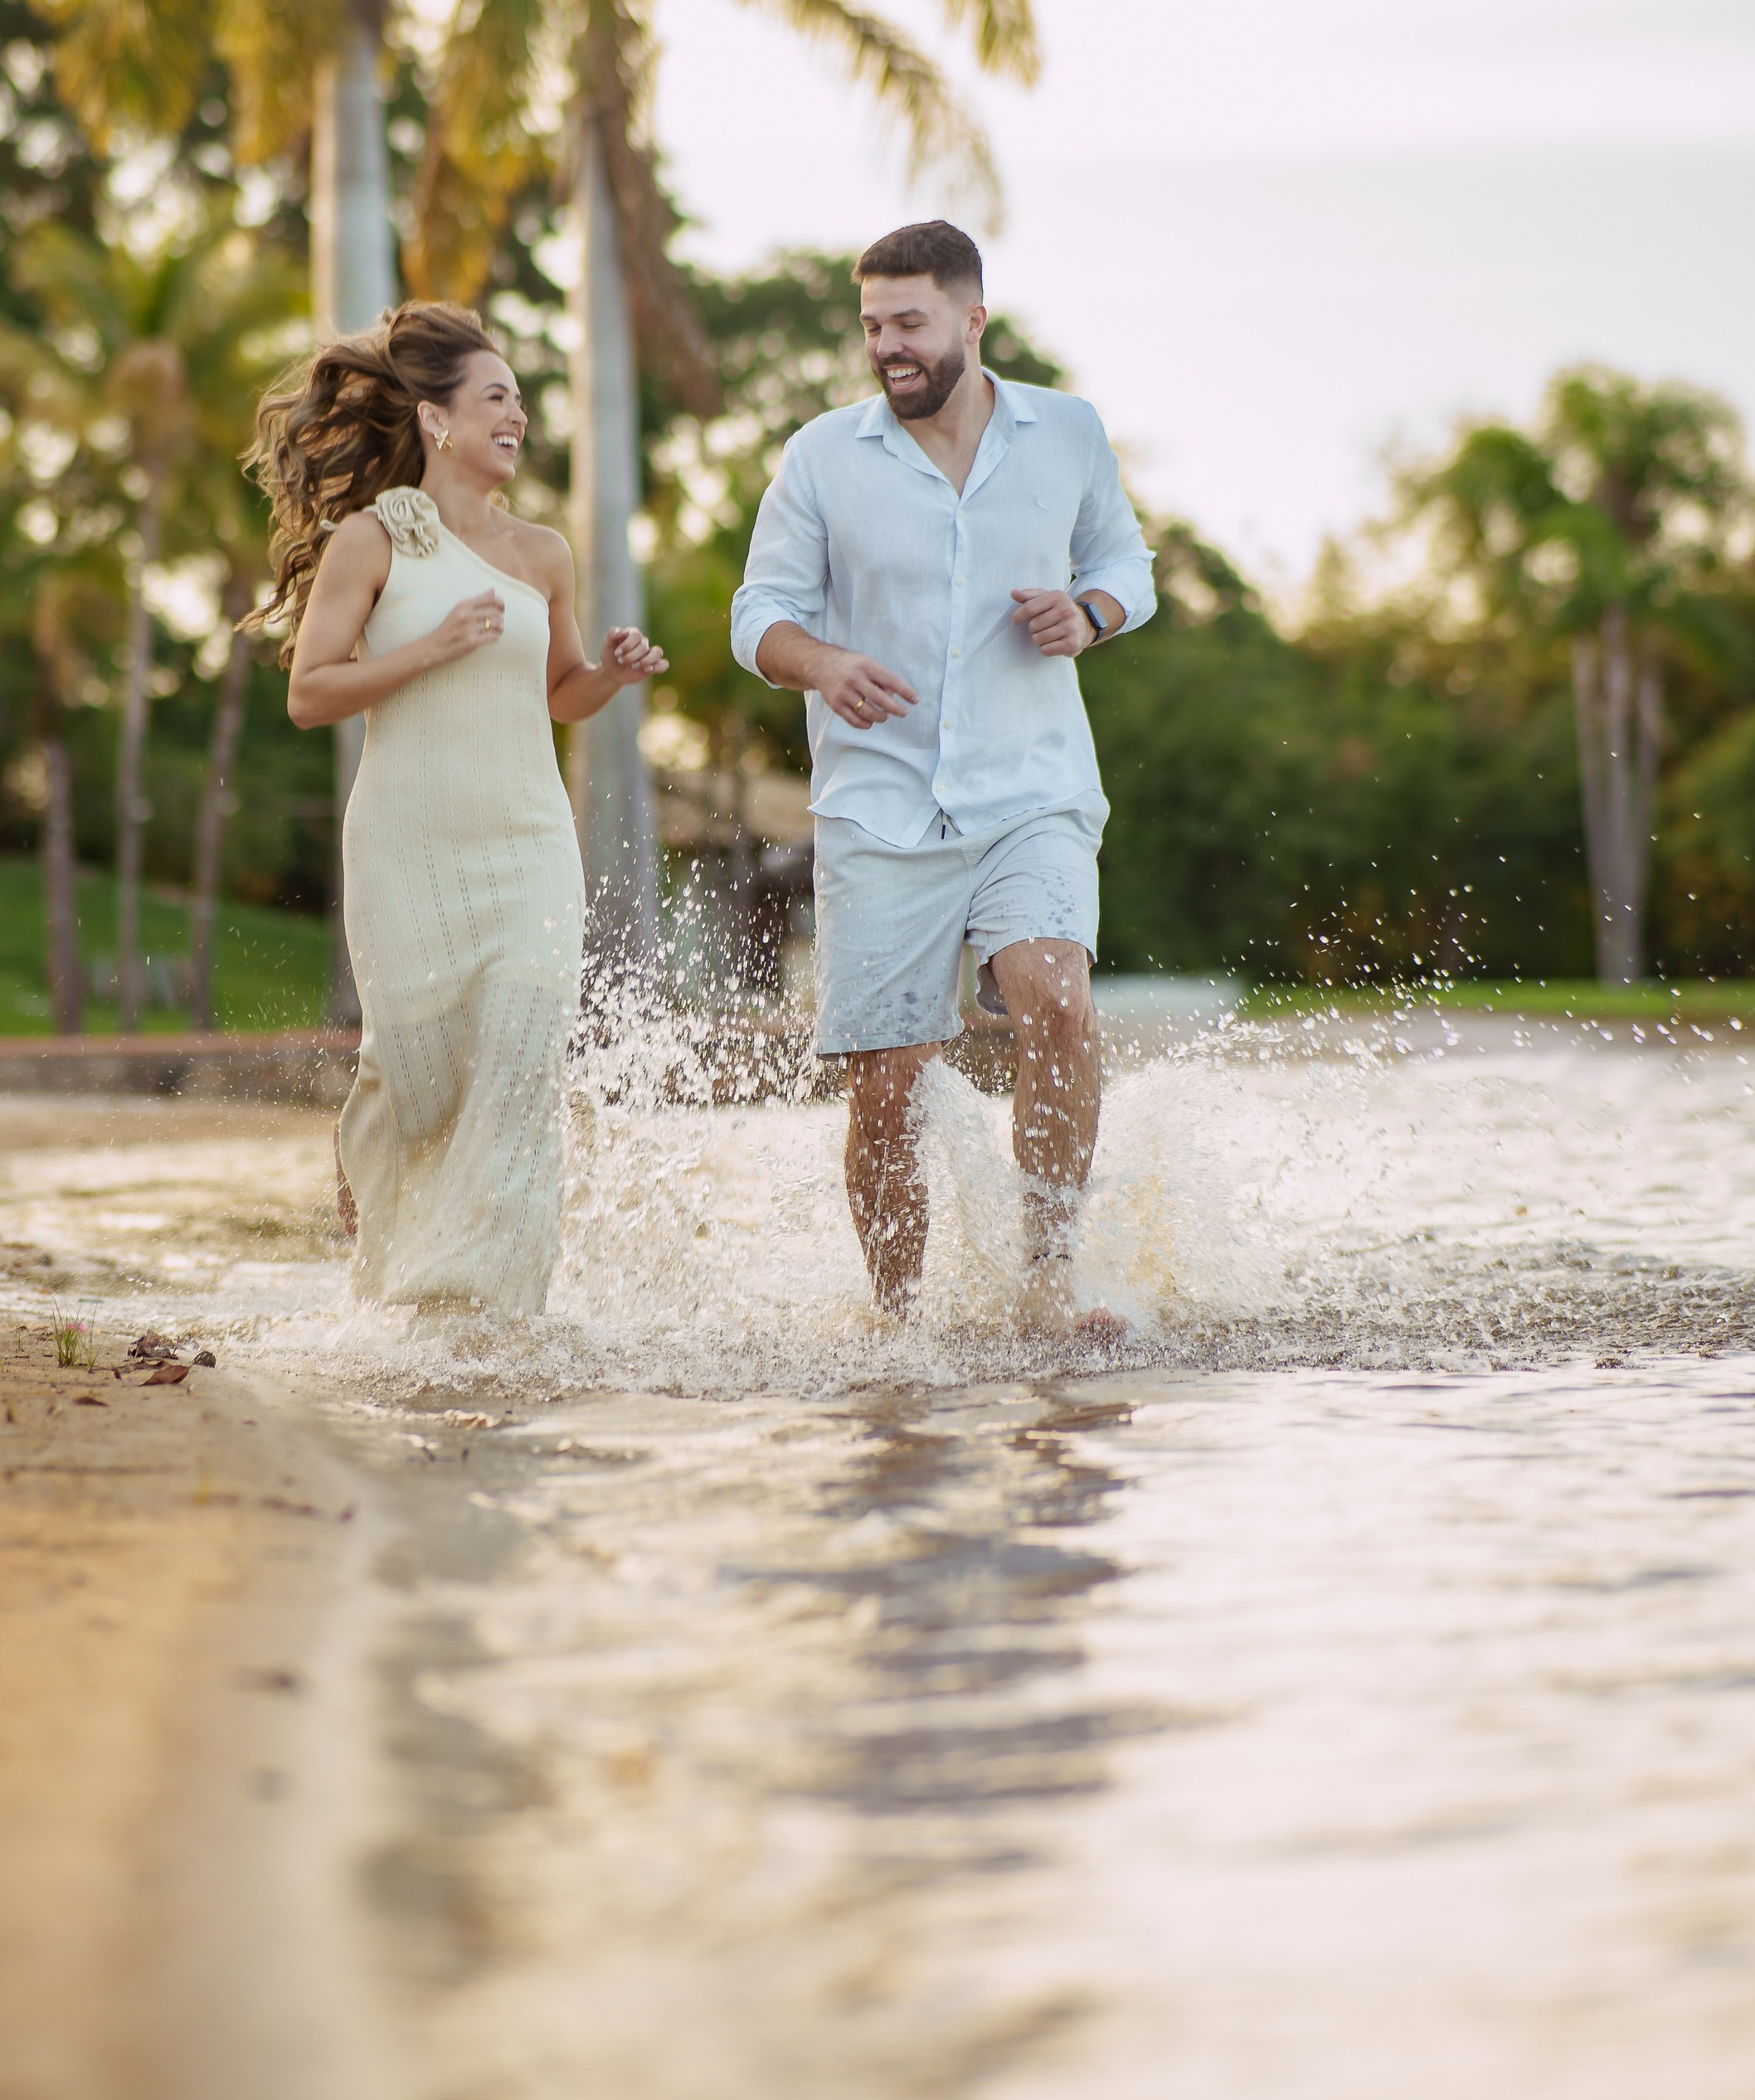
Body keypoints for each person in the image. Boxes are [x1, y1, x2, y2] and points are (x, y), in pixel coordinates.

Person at [729, 221, 1155, 1315]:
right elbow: (758, 614)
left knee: (1055, 1002)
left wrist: (1090, 612)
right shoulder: (822, 454)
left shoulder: (1065, 433)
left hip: (1034, 794)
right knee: (887, 1088)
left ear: (972, 318)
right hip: (881, 809)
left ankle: (1049, 1280)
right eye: (873, 326)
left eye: (910, 322)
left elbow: (1124, 565)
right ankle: (897, 1325)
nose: (889, 347)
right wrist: (821, 662)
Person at [250, 303, 665, 1315]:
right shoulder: (373, 539)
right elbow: (309, 693)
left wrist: (606, 678)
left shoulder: (543, 555)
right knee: (422, 1079)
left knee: (520, 1060)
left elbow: (557, 691)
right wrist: (427, 650)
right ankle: (389, 1211)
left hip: (527, 846)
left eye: (521, 399)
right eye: (496, 397)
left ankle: (487, 1312)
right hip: (410, 848)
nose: (517, 414)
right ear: (437, 420)